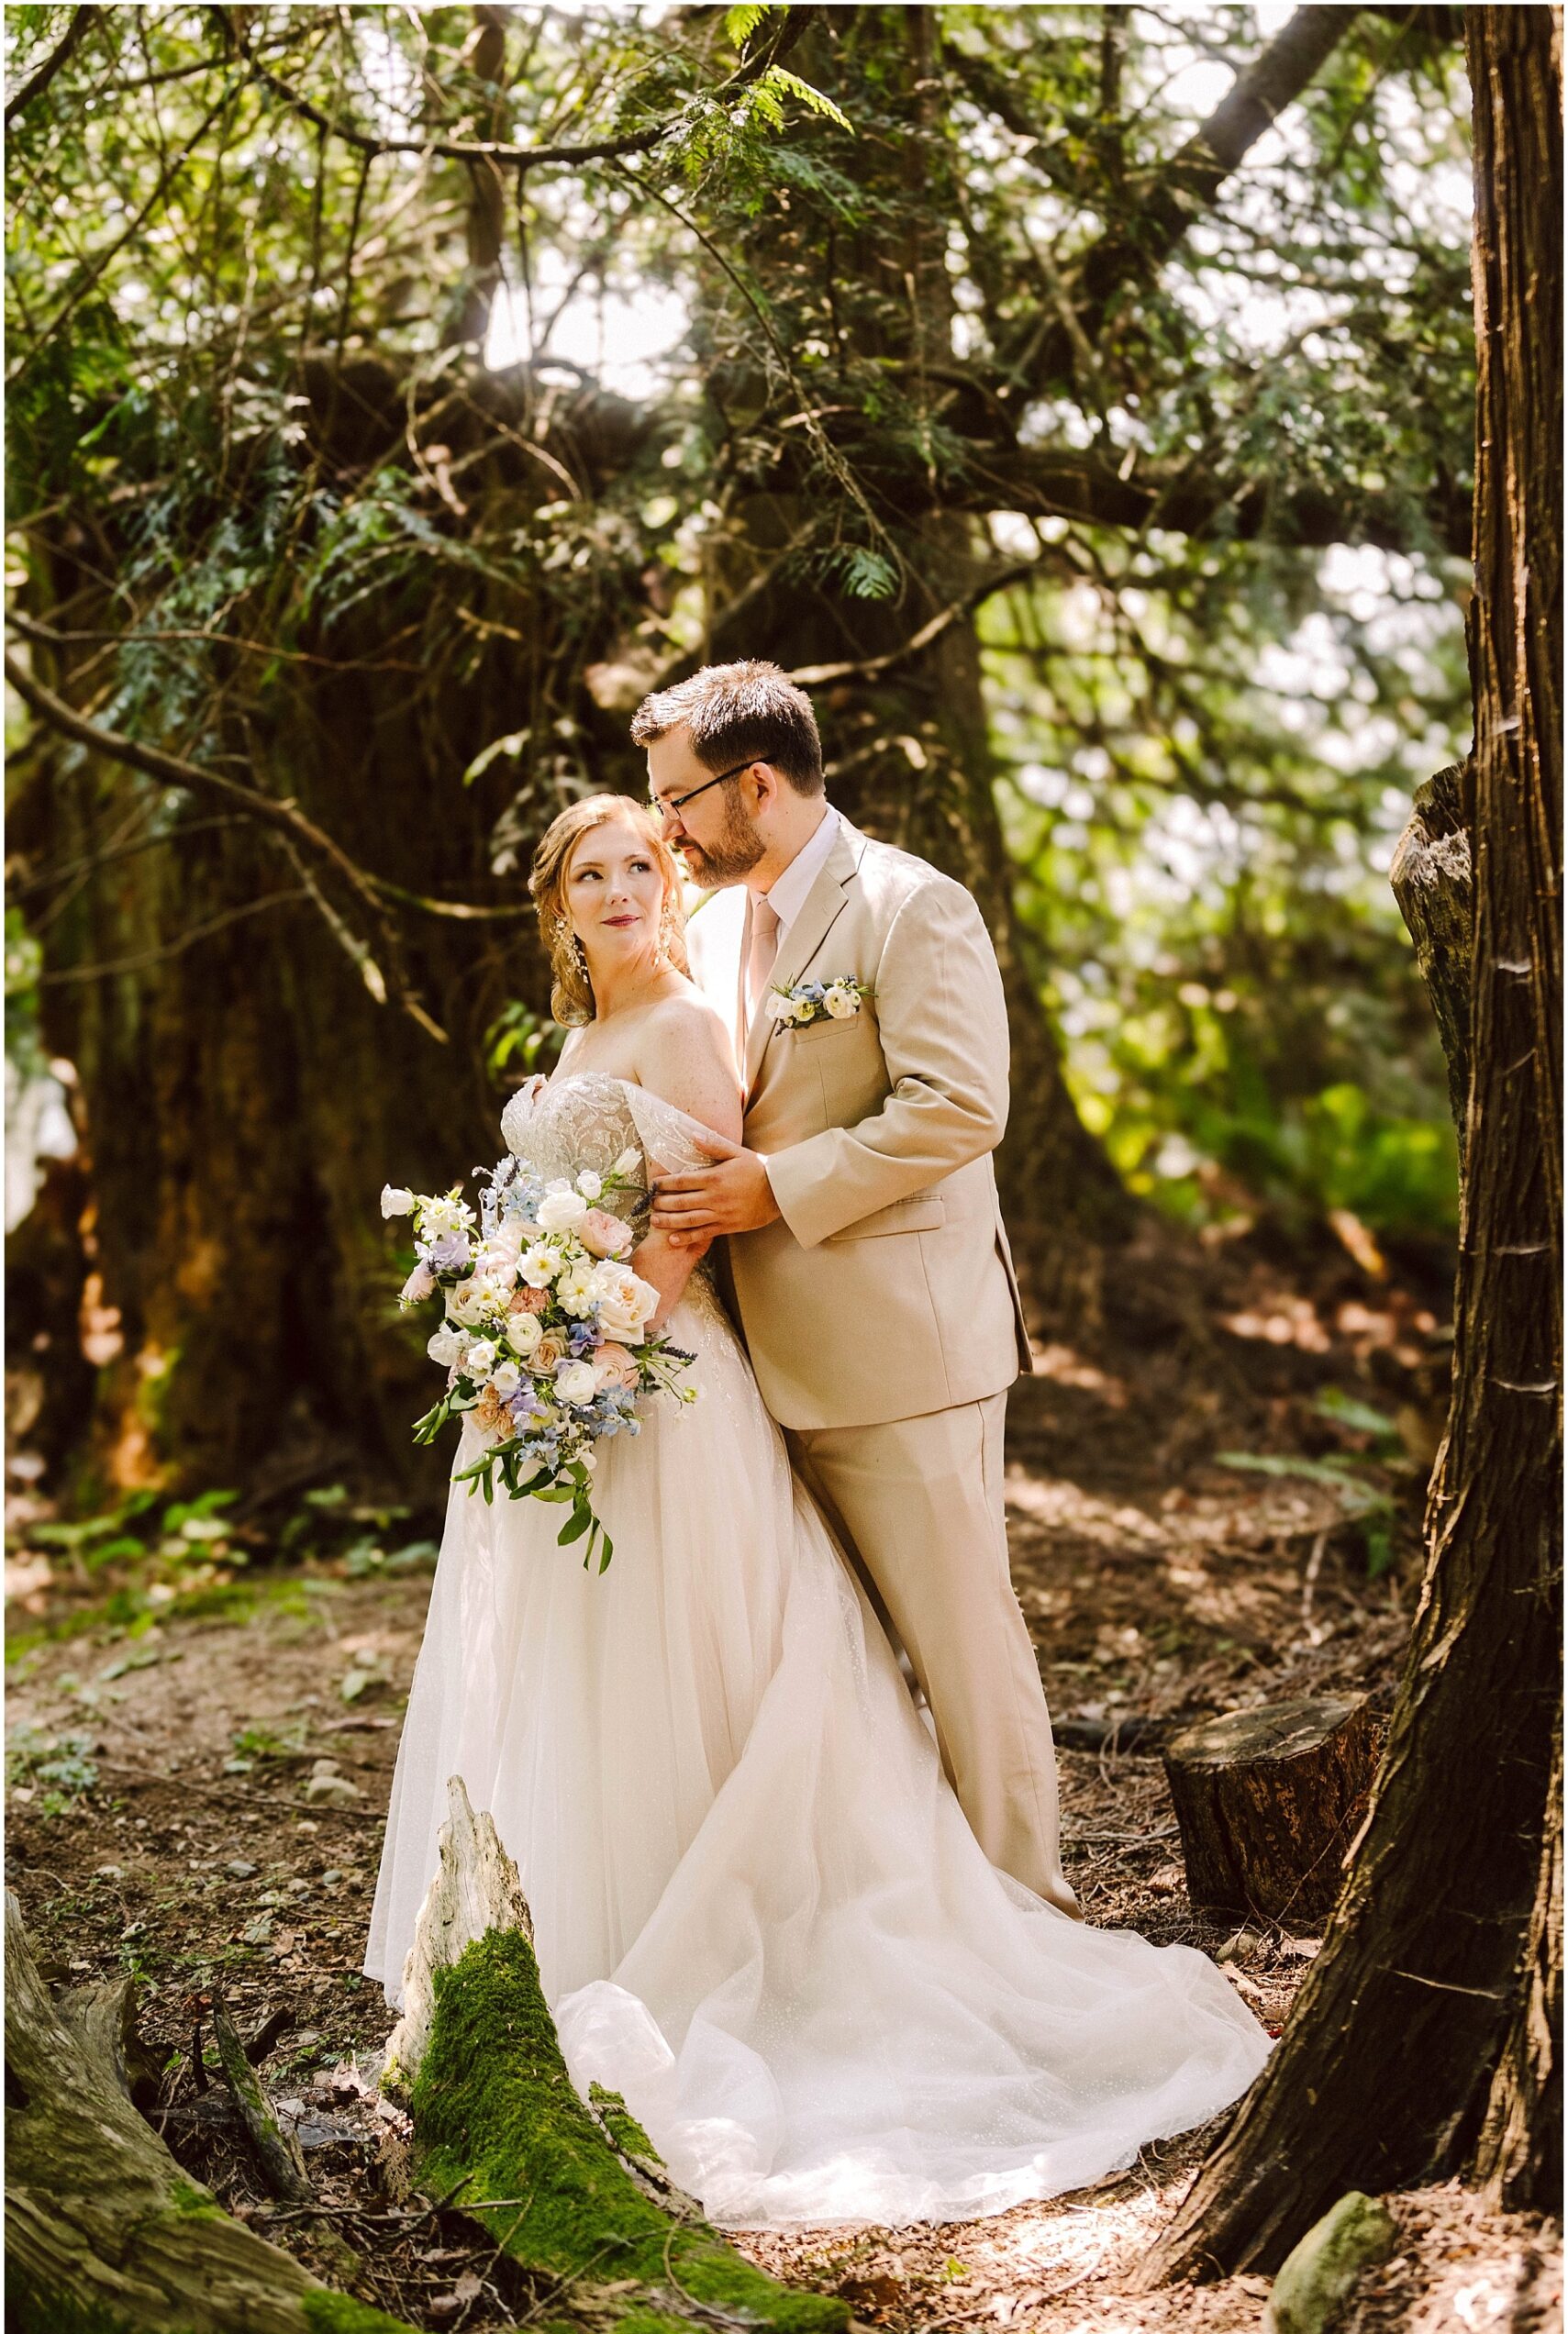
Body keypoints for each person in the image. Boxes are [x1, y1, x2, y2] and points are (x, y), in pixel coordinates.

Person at [364, 785, 1272, 2231]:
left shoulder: (684, 1028)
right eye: (588, 874)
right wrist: (508, 1332)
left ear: (671, 882)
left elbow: (688, 1219)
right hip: (558, 1392)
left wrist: (572, 1358)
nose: (618, 892)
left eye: (640, 866)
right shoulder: (579, 1037)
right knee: (577, 1680)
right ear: (552, 906)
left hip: (651, 1392)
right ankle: (562, 1948)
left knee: (698, 1667)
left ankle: (763, 1937)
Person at [635, 660, 1078, 1917]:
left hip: (902, 1353)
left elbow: (958, 1109)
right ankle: (910, 1919)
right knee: (834, 1664)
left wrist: (774, 1189)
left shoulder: (907, 906)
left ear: (756, 784)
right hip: (756, 1361)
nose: (662, 826)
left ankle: (1027, 1912)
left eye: (676, 799)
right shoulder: (713, 926)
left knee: (958, 1645)